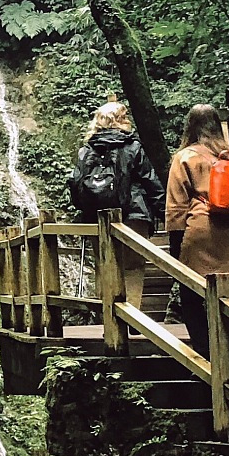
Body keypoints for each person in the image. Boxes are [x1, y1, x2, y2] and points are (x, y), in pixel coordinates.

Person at [164, 103, 229, 385]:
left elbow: (176, 208)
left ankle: (207, 364)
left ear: (189, 127)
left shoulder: (185, 158)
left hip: (202, 236)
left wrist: (176, 249)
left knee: (195, 301)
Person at [68, 100, 163, 306]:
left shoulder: (86, 150)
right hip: (134, 215)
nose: (128, 120)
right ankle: (132, 318)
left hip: (96, 218)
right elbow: (149, 180)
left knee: (105, 266)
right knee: (133, 267)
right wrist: (164, 212)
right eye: (124, 116)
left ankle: (109, 320)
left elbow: (75, 183)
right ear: (117, 122)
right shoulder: (133, 147)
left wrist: (84, 208)